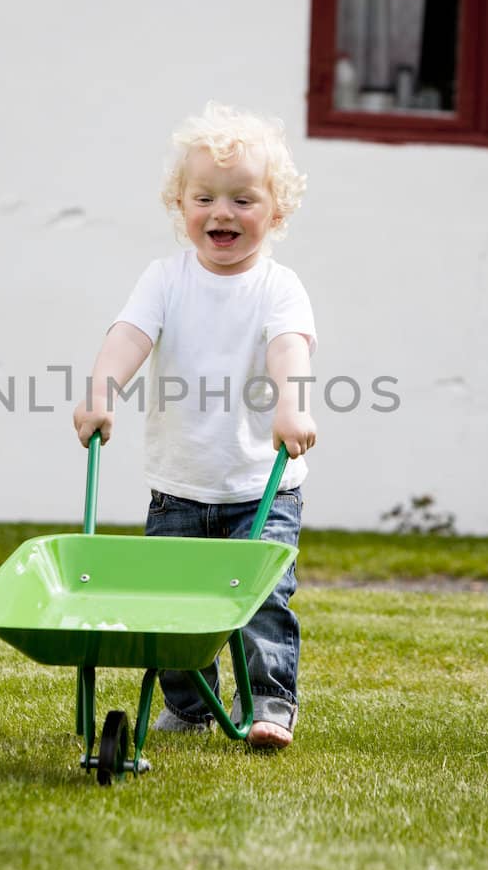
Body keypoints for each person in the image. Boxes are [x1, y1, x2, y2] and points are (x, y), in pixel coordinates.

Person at [72, 102, 317, 750]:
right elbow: (129, 335)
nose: (222, 212)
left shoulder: (279, 288)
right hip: (180, 487)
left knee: (261, 600)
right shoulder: (165, 279)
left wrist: (291, 406)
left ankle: (268, 700)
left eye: (243, 199)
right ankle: (189, 703)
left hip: (261, 485)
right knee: (172, 607)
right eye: (204, 196)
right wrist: (102, 389)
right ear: (180, 205)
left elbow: (289, 346)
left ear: (276, 210)